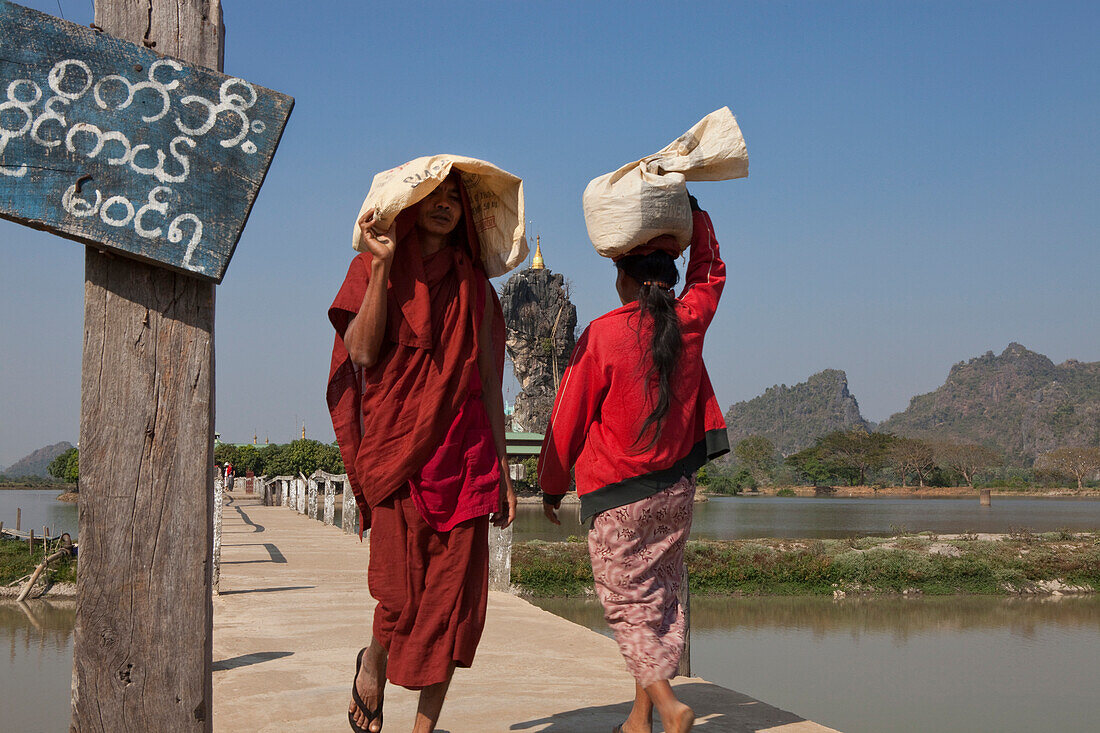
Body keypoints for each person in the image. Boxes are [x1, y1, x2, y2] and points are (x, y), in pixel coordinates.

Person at [327, 172, 517, 733]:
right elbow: (360, 354)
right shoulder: (371, 267)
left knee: (452, 603)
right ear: (410, 206)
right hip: (395, 455)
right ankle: (374, 662)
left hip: (464, 456)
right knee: (398, 595)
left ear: (465, 211)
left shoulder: (474, 286)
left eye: (452, 199)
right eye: (431, 197)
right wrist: (382, 265)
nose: (442, 207)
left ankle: (423, 729)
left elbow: (488, 381)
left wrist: (502, 471)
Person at [538, 194, 728, 733]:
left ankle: (669, 706)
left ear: (623, 279)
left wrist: (551, 486)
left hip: (619, 496)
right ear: (668, 278)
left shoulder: (603, 333)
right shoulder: (691, 319)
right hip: (676, 492)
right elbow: (711, 273)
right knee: (659, 597)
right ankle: (639, 718)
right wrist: (699, 218)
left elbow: (565, 419)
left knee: (626, 605)